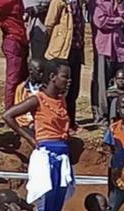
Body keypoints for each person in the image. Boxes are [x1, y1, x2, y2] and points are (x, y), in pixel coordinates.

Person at [3, 60, 76, 211]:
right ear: (53, 77)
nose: (68, 81)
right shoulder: (38, 99)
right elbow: (8, 115)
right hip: (46, 159)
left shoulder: (61, 100)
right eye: (65, 76)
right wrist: (31, 138)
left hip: (62, 159)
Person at [92, 0, 124, 124]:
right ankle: (102, 116)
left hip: (119, 46)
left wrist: (120, 8)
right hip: (104, 46)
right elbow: (100, 21)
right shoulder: (97, 3)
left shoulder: (119, 2)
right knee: (102, 82)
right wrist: (118, 20)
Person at [43, 0, 85, 129]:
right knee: (61, 89)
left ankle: (71, 122)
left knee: (73, 88)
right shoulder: (58, 2)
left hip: (76, 50)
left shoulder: (79, 3)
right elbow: (49, 24)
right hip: (61, 52)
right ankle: (57, 122)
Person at [14, 57, 46, 133]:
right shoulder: (21, 88)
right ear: (31, 71)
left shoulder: (46, 89)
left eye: (43, 72)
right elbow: (18, 113)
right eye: (39, 71)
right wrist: (29, 123)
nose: (42, 74)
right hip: (26, 125)